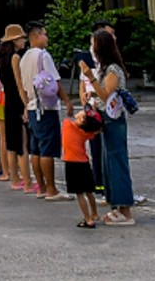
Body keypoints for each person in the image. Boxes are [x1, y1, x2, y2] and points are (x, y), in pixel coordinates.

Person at [88, 27, 136, 224]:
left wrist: (90, 78)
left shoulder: (113, 69)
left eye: (93, 44)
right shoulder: (106, 69)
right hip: (106, 118)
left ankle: (125, 210)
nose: (91, 48)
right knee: (109, 162)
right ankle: (116, 205)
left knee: (117, 162)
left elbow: (107, 95)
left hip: (113, 119)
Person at [18, 23, 60, 200]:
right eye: (44, 34)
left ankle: (41, 187)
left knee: (35, 149)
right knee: (47, 149)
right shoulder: (43, 56)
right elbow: (55, 81)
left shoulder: (24, 58)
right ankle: (51, 189)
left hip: (32, 106)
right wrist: (65, 100)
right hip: (46, 107)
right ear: (35, 36)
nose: (47, 38)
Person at [0, 23, 30, 191]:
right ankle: (24, 180)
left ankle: (14, 178)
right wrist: (26, 104)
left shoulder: (1, 58)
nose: (24, 40)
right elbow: (19, 83)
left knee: (11, 142)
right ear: (15, 40)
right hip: (16, 100)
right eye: (22, 38)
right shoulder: (15, 58)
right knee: (21, 143)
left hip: (8, 100)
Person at [61, 98, 102, 229]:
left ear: (82, 121)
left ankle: (88, 219)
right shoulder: (86, 133)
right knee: (89, 191)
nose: (80, 112)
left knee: (79, 194)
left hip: (71, 163)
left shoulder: (67, 125)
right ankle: (94, 213)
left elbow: (69, 118)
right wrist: (94, 113)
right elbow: (96, 130)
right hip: (84, 163)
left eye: (82, 114)